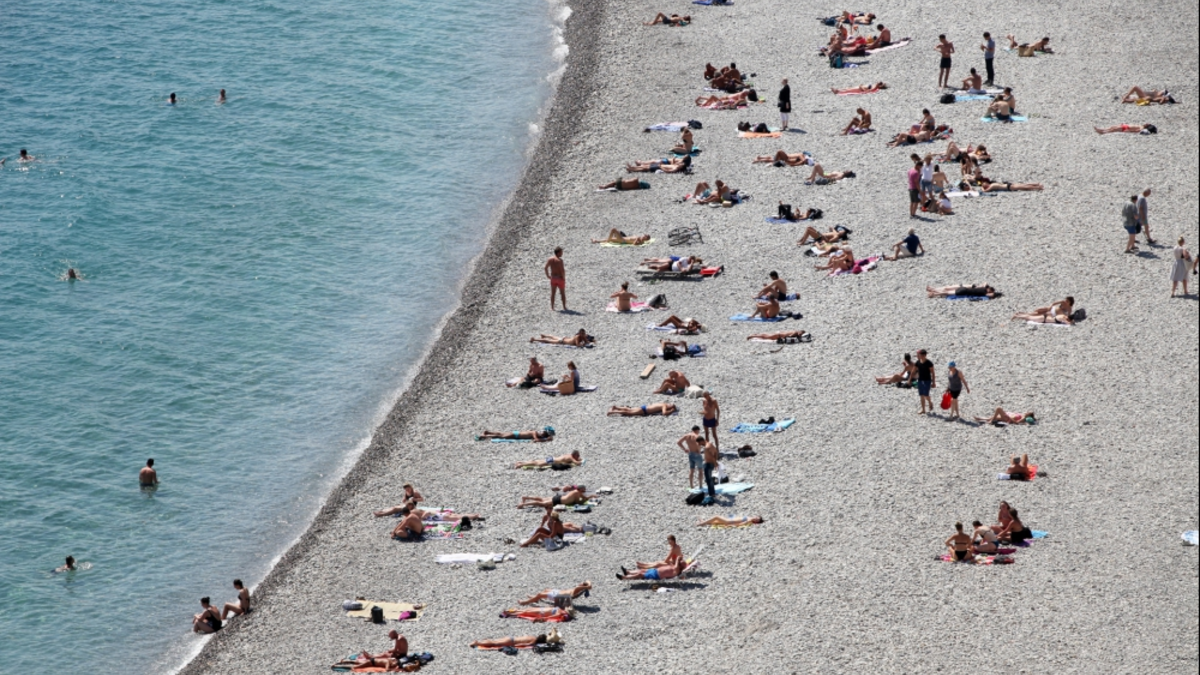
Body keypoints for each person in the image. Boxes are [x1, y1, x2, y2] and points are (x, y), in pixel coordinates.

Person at [518, 581, 593, 607]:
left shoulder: (578, 588)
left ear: (582, 585)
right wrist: (587, 583)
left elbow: (589, 586)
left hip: (558, 596)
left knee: (540, 594)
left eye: (581, 583)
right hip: (559, 592)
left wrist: (587, 584)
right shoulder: (580, 589)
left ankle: (525, 602)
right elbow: (588, 582)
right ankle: (535, 598)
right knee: (546, 590)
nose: (580, 583)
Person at [470, 630, 561, 649]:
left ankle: (480, 642)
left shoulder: (532, 636)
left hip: (511, 637)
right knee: (494, 644)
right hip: (511, 641)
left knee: (495, 641)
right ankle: (478, 643)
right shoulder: (533, 641)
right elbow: (525, 645)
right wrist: (516, 646)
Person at [618, 557, 688, 581]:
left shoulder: (677, 570)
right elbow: (669, 562)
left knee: (640, 574)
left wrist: (678, 559)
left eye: (681, 563)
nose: (679, 562)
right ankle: (628, 572)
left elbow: (676, 566)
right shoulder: (675, 566)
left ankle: (624, 578)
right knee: (642, 570)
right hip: (655, 571)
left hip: (657, 575)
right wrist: (676, 560)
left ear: (681, 566)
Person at [915, 349, 935, 414]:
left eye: (920, 354)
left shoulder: (929, 363)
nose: (919, 356)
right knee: (921, 395)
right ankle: (923, 409)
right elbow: (914, 370)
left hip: (927, 380)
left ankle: (930, 402)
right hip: (920, 380)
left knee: (926, 395)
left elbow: (932, 373)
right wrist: (909, 379)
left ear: (924, 355)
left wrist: (934, 382)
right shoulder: (918, 362)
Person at [625, 156, 692, 174]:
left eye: (682, 164)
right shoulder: (677, 165)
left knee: (645, 168)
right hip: (660, 165)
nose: (680, 164)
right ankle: (632, 168)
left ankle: (632, 169)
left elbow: (669, 171)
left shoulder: (676, 168)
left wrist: (661, 167)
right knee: (645, 167)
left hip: (659, 167)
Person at [700, 439, 719, 504]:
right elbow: (716, 452)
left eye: (700, 443)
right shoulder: (710, 444)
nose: (700, 445)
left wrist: (715, 463)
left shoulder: (707, 447)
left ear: (701, 441)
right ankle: (712, 492)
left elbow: (711, 456)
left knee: (709, 479)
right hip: (711, 464)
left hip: (708, 464)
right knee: (709, 479)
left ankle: (711, 493)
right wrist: (715, 461)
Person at [477, 427, 555, 441]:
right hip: (516, 435)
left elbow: (538, 438)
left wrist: (544, 438)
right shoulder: (534, 432)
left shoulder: (536, 433)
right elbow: (536, 440)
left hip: (516, 433)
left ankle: (488, 432)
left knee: (501, 434)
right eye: (544, 434)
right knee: (501, 436)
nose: (543, 435)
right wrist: (546, 440)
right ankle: (484, 436)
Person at [606, 402, 678, 417]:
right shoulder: (664, 405)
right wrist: (671, 411)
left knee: (629, 409)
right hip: (644, 410)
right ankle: (612, 412)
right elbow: (664, 413)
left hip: (644, 407)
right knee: (628, 413)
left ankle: (616, 407)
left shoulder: (663, 403)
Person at [925, 284, 996, 298]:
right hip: (964, 292)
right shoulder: (984, 293)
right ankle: (934, 294)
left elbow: (985, 283)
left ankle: (933, 290)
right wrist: (992, 293)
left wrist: (987, 287)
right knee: (947, 293)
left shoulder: (982, 288)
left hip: (964, 288)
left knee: (947, 290)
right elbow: (991, 295)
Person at [697, 515, 764, 527]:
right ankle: (704, 522)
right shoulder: (750, 518)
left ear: (756, 521)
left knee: (716, 517)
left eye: (757, 519)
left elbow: (740, 524)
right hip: (729, 519)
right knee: (715, 522)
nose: (755, 518)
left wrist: (731, 525)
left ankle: (702, 523)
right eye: (756, 517)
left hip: (729, 521)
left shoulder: (749, 520)